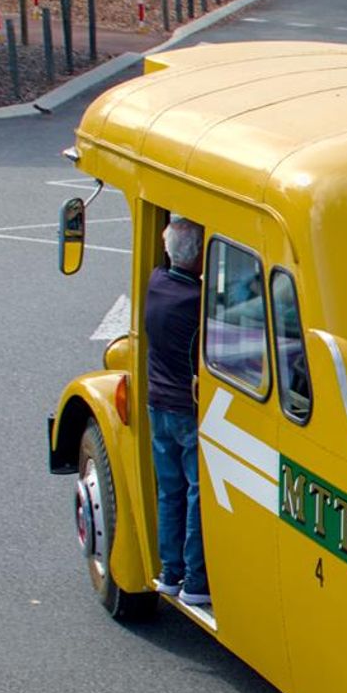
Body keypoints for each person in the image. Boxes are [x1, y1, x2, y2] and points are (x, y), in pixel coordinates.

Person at [144, 217, 209, 608]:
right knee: (197, 495)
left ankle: (171, 572)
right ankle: (196, 578)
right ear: (201, 255)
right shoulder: (197, 304)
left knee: (171, 492)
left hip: (158, 403)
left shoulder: (155, 283)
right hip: (187, 408)